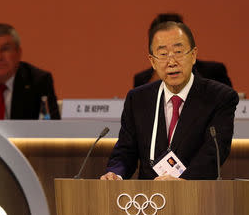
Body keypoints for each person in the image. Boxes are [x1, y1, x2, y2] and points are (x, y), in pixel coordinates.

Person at [101, 21, 238, 180]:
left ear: (193, 56)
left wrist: (181, 182)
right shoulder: (138, 99)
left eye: (178, 51)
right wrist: (116, 174)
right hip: (148, 199)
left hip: (196, 196)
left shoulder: (219, 97)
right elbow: (125, 151)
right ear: (152, 61)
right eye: (163, 54)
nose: (172, 62)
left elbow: (214, 154)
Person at [133, 13, 232, 88]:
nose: (171, 61)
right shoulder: (142, 80)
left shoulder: (213, 72)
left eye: (177, 50)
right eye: (163, 52)